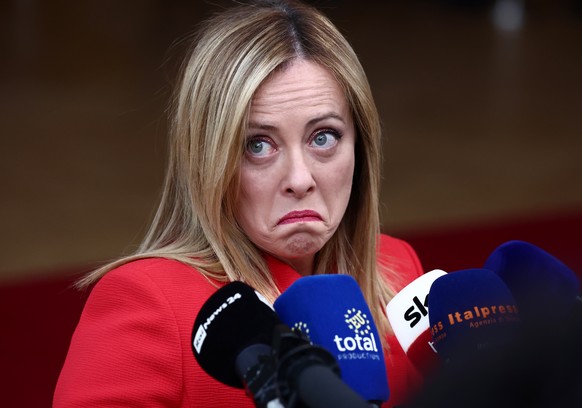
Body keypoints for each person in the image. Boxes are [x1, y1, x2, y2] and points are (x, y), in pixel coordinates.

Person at [54, 1, 425, 406]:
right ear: (209, 161)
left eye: (323, 137)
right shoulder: (150, 302)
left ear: (360, 146)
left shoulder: (397, 270)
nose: (299, 180)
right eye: (258, 145)